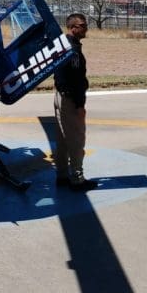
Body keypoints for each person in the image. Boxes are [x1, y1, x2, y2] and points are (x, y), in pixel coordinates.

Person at [54, 13, 93, 191]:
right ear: (72, 27)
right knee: (76, 140)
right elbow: (75, 80)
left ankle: (62, 175)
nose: (86, 29)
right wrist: (79, 105)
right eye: (83, 25)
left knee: (62, 139)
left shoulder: (62, 45)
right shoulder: (72, 49)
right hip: (69, 99)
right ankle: (77, 178)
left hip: (60, 96)